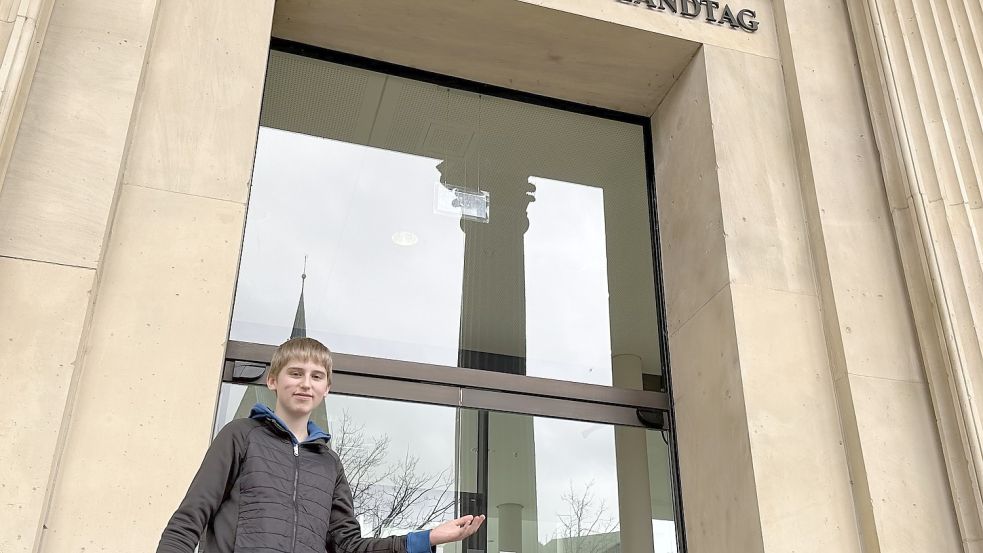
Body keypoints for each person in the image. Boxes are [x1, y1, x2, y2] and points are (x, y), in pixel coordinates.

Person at [156, 337, 484, 553]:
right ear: (273, 380)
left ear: (326, 388)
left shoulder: (329, 464)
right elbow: (191, 516)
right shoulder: (241, 435)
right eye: (295, 373)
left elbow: (348, 546)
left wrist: (426, 538)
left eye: (316, 376)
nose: (305, 383)